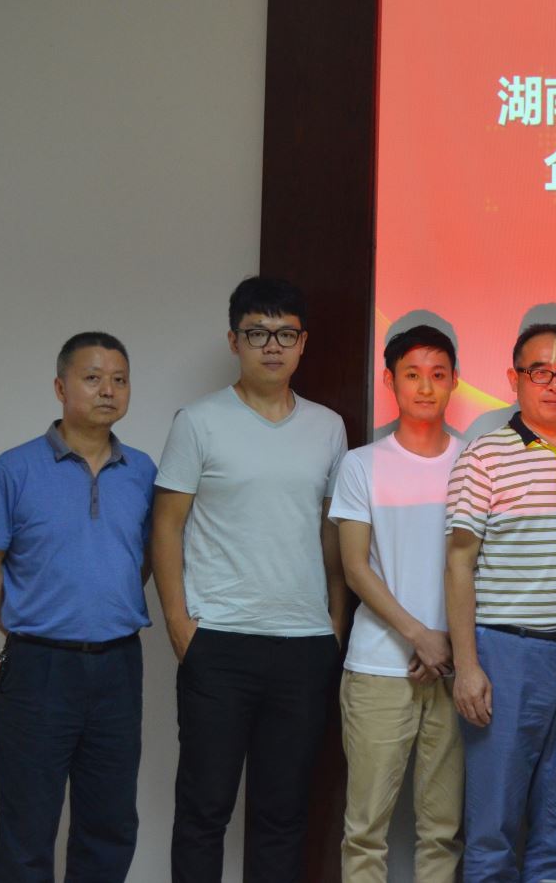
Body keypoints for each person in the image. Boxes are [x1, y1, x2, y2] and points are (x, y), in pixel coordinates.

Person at [150, 276, 349, 883]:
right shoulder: (198, 421)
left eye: (285, 334)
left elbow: (330, 533)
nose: (272, 346)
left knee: (283, 815)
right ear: (233, 340)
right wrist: (179, 624)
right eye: (258, 333)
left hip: (303, 645)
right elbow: (166, 527)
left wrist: (335, 623)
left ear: (303, 342)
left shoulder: (328, 427)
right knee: (203, 810)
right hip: (219, 643)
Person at [0, 331, 156, 883]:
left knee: (110, 824)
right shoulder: (15, 469)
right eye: (92, 378)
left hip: (119, 667)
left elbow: (144, 560)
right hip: (38, 669)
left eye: (119, 380)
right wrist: (34, 626)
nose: (108, 390)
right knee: (27, 829)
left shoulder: (143, 471)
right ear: (60, 387)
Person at [444, 322, 556, 882]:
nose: (554, 384)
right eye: (540, 371)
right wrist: (467, 666)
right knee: (492, 829)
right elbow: (458, 564)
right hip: (508, 656)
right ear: (513, 378)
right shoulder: (484, 456)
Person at [330, 325, 465, 883]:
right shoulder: (362, 464)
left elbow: (481, 566)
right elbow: (355, 567)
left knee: (443, 831)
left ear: (454, 381)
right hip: (379, 668)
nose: (425, 387)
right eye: (412, 374)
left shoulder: (473, 462)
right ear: (390, 381)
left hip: (456, 669)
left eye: (437, 375)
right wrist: (419, 635)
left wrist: (447, 645)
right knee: (365, 831)